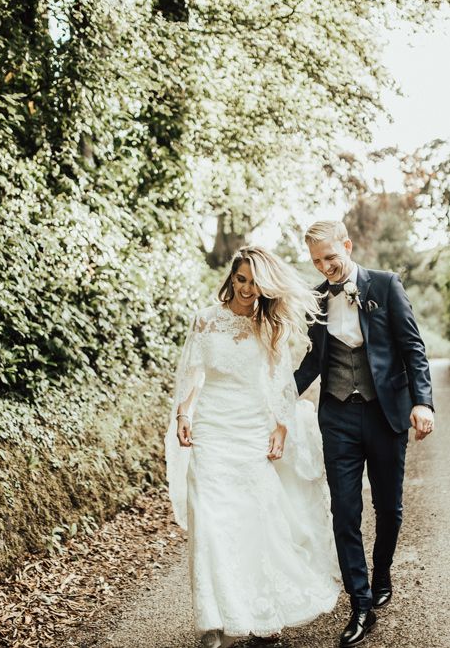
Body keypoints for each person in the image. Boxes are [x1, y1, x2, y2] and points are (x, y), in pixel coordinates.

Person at [165, 246, 341, 648]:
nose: (247, 289)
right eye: (241, 279)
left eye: (254, 282)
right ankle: (217, 615)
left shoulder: (270, 324)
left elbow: (280, 379)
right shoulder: (205, 320)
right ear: (232, 278)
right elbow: (192, 374)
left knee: (254, 520)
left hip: (251, 431)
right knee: (210, 521)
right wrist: (183, 416)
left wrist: (281, 426)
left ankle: (263, 610)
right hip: (211, 430)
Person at [294, 220, 434, 647]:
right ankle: (360, 603)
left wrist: (422, 401)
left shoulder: (386, 285)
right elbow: (310, 362)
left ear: (348, 246)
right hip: (337, 417)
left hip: (385, 412)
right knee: (345, 511)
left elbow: (413, 347)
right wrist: (274, 398)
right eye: (317, 261)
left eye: (331, 257)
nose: (326, 267)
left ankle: (383, 570)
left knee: (389, 508)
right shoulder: (316, 298)